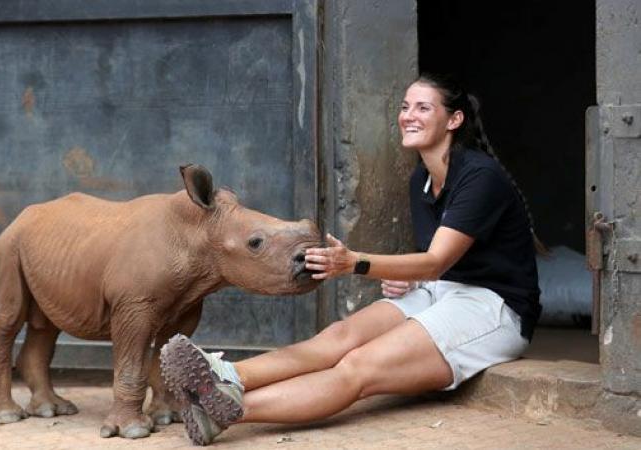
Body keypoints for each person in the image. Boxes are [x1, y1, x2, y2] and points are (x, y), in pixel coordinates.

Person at [159, 73, 542, 446]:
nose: (409, 115)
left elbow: (436, 260)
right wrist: (412, 281)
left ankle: (226, 409)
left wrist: (355, 262)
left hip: (493, 307)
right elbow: (436, 265)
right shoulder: (421, 180)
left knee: (358, 366)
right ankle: (223, 374)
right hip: (439, 289)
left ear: (454, 120)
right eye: (406, 106)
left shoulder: (479, 177)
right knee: (338, 337)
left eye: (424, 107)